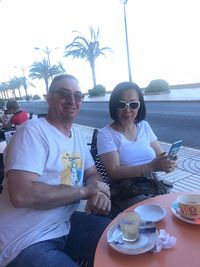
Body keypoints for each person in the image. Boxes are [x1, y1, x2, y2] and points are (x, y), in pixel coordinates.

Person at [0, 74, 111, 267]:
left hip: (65, 223)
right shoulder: (32, 131)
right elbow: (21, 194)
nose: (72, 100)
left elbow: (92, 173)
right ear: (48, 97)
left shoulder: (75, 134)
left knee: (123, 237)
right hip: (25, 240)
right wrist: (85, 191)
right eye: (64, 94)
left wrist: (97, 189)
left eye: (78, 95)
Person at [97, 81, 177, 217]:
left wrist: (168, 162)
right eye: (121, 104)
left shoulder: (144, 126)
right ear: (114, 105)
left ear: (140, 106)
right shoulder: (106, 134)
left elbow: (160, 154)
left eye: (133, 105)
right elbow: (114, 172)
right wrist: (151, 167)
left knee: (175, 212)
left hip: (152, 184)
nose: (127, 110)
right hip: (126, 190)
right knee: (158, 216)